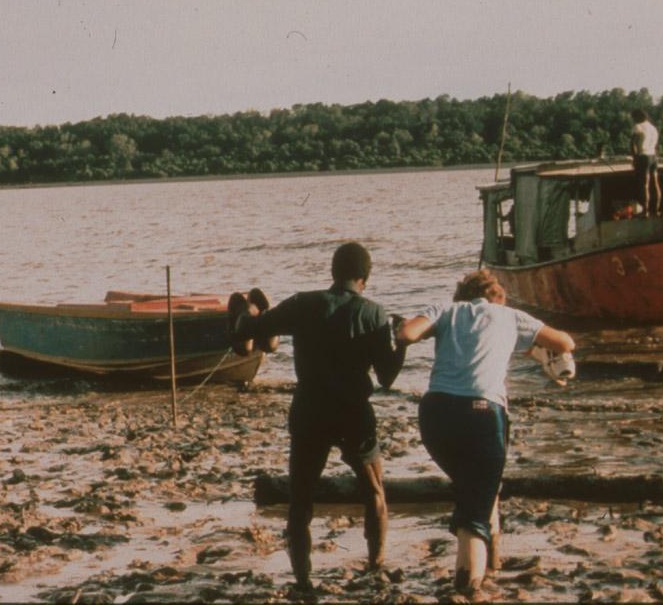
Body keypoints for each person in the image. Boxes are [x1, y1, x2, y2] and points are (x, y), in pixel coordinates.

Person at [232, 242, 407, 591]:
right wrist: (400, 342)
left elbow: (251, 331)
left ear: (333, 273)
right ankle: (375, 565)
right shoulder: (375, 314)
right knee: (374, 492)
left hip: (310, 407)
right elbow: (387, 378)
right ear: (364, 279)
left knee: (301, 498)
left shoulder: (303, 303)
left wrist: (247, 316)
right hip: (354, 411)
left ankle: (303, 579)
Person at [394, 270, 575, 596]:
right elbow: (565, 342)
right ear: (498, 297)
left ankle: (493, 563)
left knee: (479, 489)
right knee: (474, 510)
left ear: (461, 296)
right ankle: (468, 589)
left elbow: (407, 333)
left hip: (435, 415)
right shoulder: (510, 316)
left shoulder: (446, 311)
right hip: (482, 415)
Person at [630, 108, 661, 215]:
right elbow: (656, 146)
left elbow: (633, 144)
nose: (634, 120)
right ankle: (656, 210)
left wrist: (634, 159)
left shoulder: (638, 127)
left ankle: (645, 210)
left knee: (645, 184)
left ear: (638, 117)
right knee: (655, 183)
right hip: (653, 157)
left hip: (643, 156)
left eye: (634, 118)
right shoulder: (653, 128)